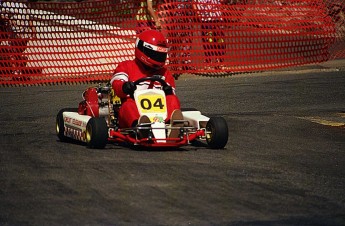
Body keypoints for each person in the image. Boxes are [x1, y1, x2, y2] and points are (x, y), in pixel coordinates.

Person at [110, 30, 183, 137]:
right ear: (142, 49)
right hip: (134, 113)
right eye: (155, 54)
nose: (158, 58)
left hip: (160, 115)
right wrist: (124, 86)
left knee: (172, 98)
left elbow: (171, 95)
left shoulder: (165, 73)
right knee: (128, 104)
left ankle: (173, 126)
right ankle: (140, 127)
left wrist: (168, 92)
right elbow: (116, 83)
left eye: (160, 55)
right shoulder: (126, 66)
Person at [1, 0, 37, 75]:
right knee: (12, 51)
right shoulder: (7, 4)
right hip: (13, 33)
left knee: (18, 51)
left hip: (24, 33)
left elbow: (29, 19)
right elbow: (2, 16)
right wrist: (9, 19)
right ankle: (16, 70)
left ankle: (18, 69)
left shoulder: (23, 5)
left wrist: (33, 30)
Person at [192, 0, 226, 69]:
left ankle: (220, 61)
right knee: (208, 40)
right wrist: (197, 13)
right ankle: (208, 61)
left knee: (219, 40)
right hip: (205, 19)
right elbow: (194, 2)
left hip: (217, 18)